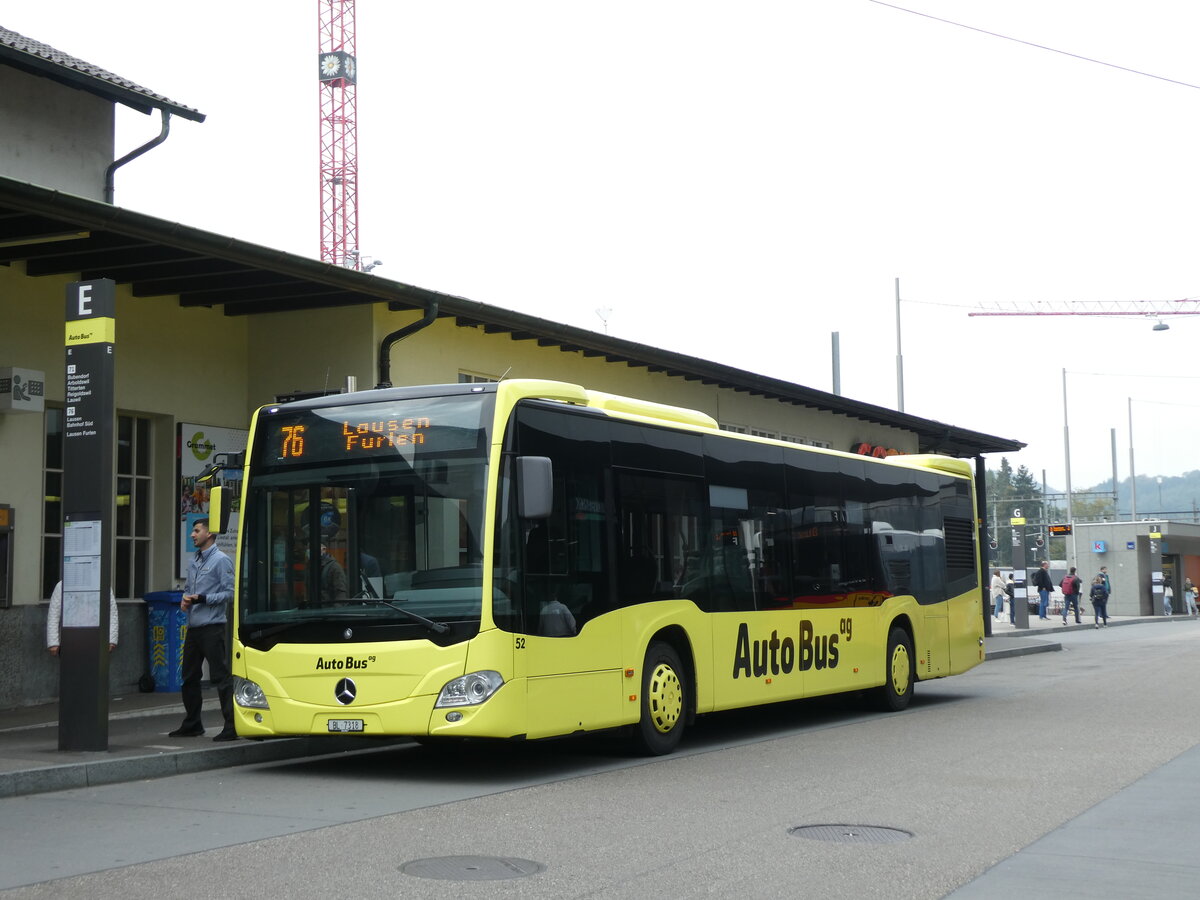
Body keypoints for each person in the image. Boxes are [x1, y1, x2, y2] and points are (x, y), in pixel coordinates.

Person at [170, 518, 237, 742]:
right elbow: (189, 589)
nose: (192, 535)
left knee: (220, 676)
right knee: (189, 677)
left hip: (213, 627)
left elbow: (230, 594)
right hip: (194, 627)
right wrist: (185, 600)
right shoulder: (194, 562)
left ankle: (232, 725)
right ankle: (192, 723)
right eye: (193, 531)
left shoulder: (222, 561)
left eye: (196, 531)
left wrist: (203, 598)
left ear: (209, 534)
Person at [46, 582, 118, 655]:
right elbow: (54, 614)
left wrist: (111, 640)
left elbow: (112, 613)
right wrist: (53, 642)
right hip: (70, 638)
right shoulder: (62, 585)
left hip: (96, 637)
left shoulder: (102, 584)